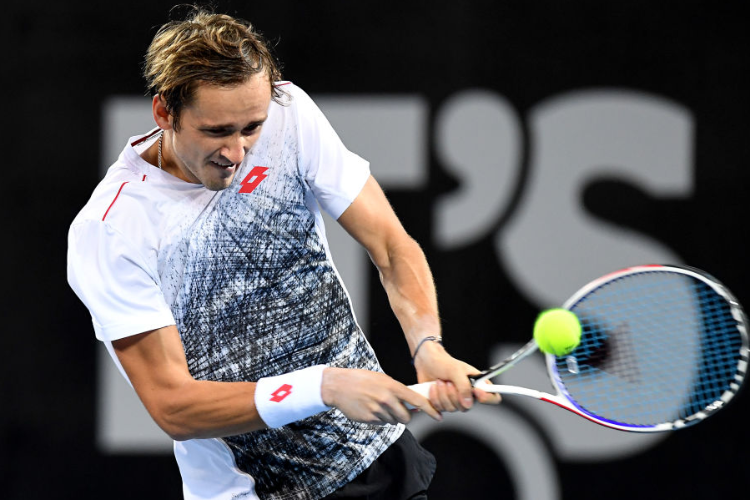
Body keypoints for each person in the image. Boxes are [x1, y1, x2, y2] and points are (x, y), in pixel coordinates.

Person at [67, 7, 499, 500]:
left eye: (252, 126)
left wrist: (428, 347)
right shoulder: (111, 230)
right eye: (216, 131)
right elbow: (175, 406)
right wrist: (324, 387)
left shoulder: (290, 114)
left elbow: (391, 246)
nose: (238, 151)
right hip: (257, 490)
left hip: (380, 461)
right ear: (164, 112)